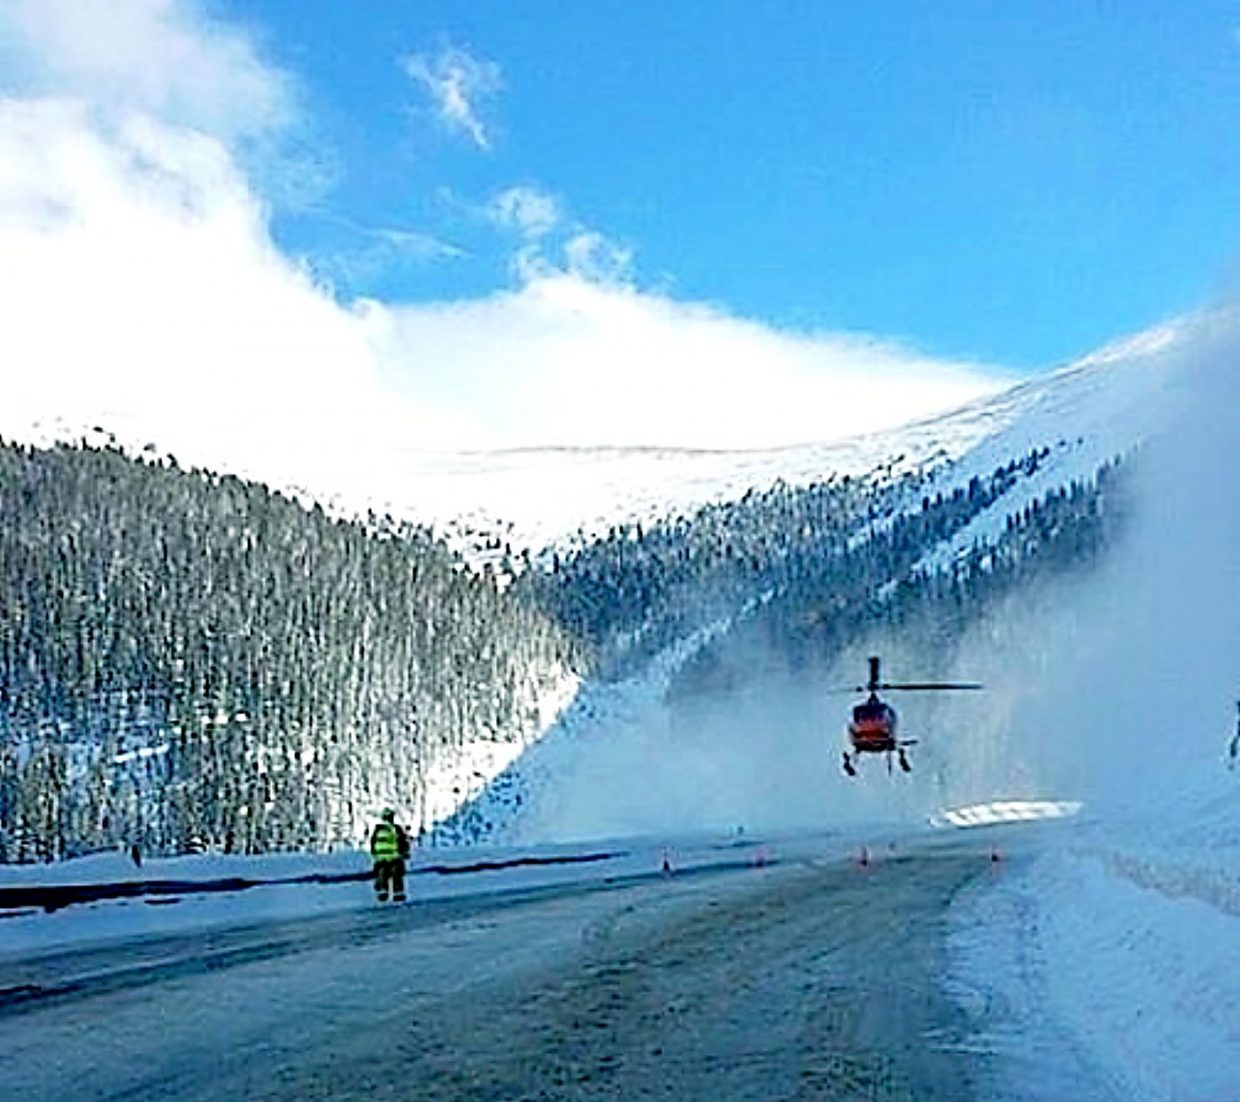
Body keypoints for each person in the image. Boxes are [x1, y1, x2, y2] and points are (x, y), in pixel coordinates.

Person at [370, 808, 411, 903]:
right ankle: (398, 893)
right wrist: (405, 852)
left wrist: (375, 854)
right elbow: (403, 841)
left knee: (382, 875)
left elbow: (373, 843)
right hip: (395, 857)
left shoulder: (378, 829)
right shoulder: (396, 828)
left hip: (381, 858)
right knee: (396, 876)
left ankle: (383, 892)